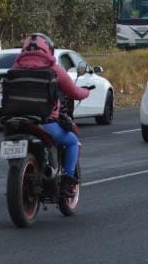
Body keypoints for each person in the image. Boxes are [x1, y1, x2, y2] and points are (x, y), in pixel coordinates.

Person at [13, 32, 90, 196]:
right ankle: (67, 182)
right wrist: (86, 93)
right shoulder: (53, 69)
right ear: (48, 49)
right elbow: (74, 92)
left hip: (16, 122)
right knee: (72, 142)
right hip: (45, 122)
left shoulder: (15, 67)